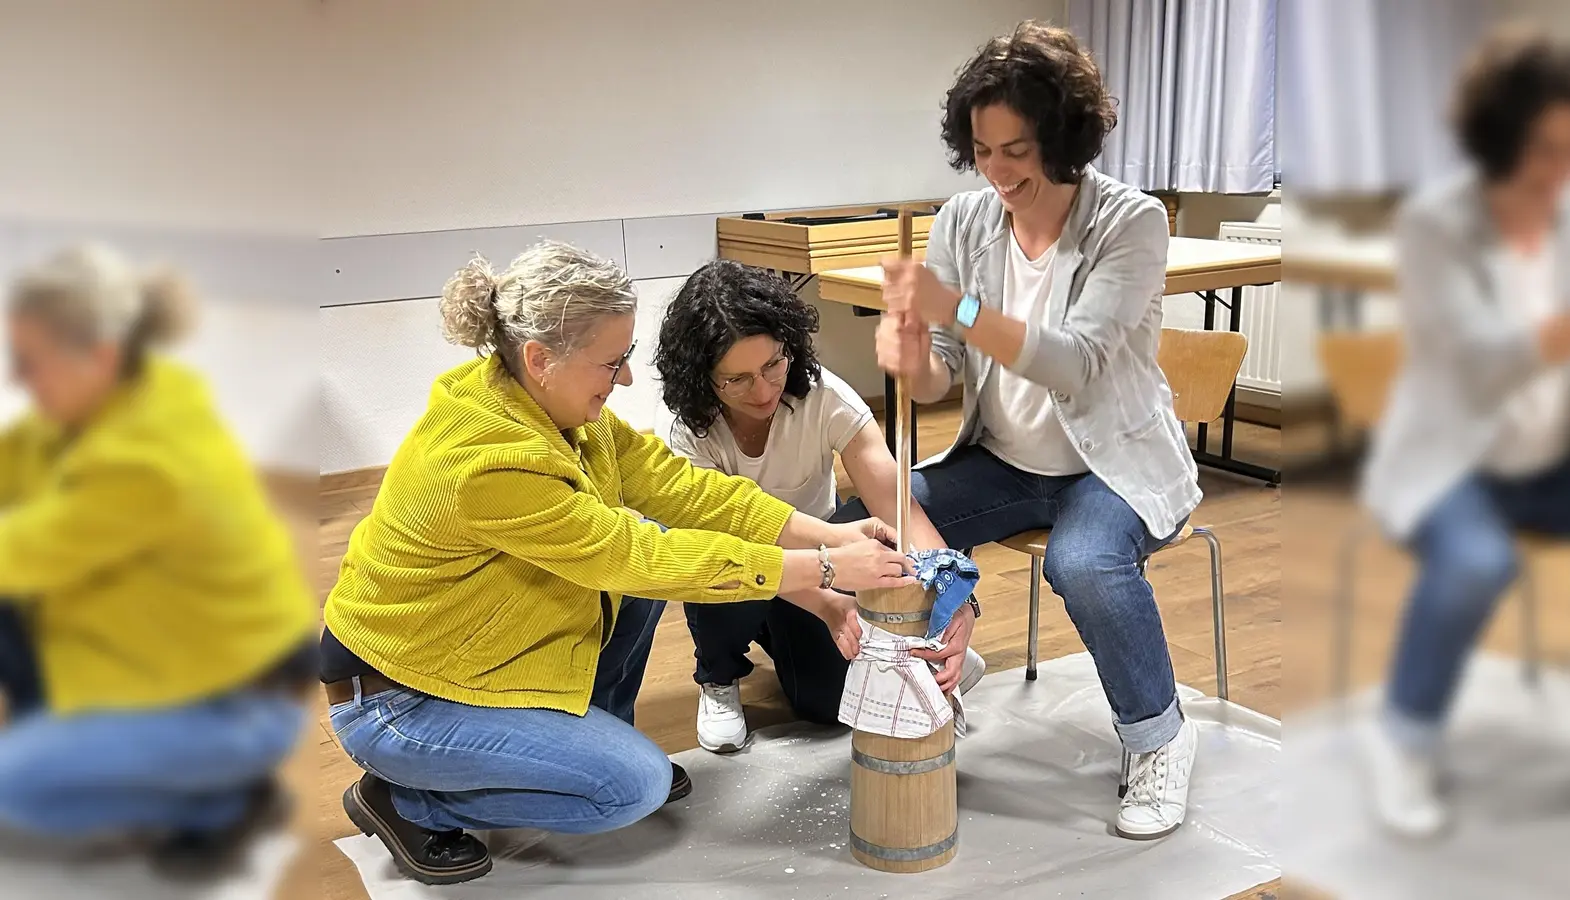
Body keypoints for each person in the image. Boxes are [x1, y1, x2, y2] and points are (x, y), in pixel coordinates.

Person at [322, 241, 917, 886]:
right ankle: (407, 799)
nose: (626, 379)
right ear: (540, 358)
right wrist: (826, 572)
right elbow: (639, 557)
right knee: (628, 790)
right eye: (612, 362)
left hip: (473, 650)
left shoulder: (555, 406)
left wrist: (820, 537)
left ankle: (592, 744)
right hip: (400, 699)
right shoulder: (489, 459)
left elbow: (681, 490)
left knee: (644, 585)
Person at [874, 21, 1202, 841]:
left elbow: (1078, 362)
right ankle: (954, 648)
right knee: (880, 512)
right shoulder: (964, 221)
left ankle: (1160, 737)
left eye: (1016, 149)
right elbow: (942, 374)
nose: (997, 170)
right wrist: (911, 356)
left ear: (1064, 136)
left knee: (1084, 562)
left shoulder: (1131, 223)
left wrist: (955, 309)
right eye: (982, 150)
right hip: (1005, 459)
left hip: (1111, 465)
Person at [0, 244, 317, 874]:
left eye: (31, 363)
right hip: (162, 651)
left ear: (100, 355)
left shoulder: (149, 458)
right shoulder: (107, 398)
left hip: (241, 701)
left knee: (16, 788)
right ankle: (115, 749)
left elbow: (17, 554)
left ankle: (221, 798)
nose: (19, 380)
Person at [1358, 27, 1570, 839]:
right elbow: (1483, 366)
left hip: (1555, 450)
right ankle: (1407, 735)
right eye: (1543, 149)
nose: (1560, 171)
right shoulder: (1438, 224)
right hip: (1449, 460)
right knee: (1476, 562)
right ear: (1498, 139)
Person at [653, 259, 985, 753]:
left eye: (772, 364)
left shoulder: (824, 395)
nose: (764, 389)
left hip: (819, 559)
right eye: (738, 380)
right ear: (704, 378)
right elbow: (730, 541)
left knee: (827, 704)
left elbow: (897, 504)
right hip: (749, 565)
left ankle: (912, 646)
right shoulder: (692, 433)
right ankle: (718, 677)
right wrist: (831, 607)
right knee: (714, 567)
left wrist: (956, 593)